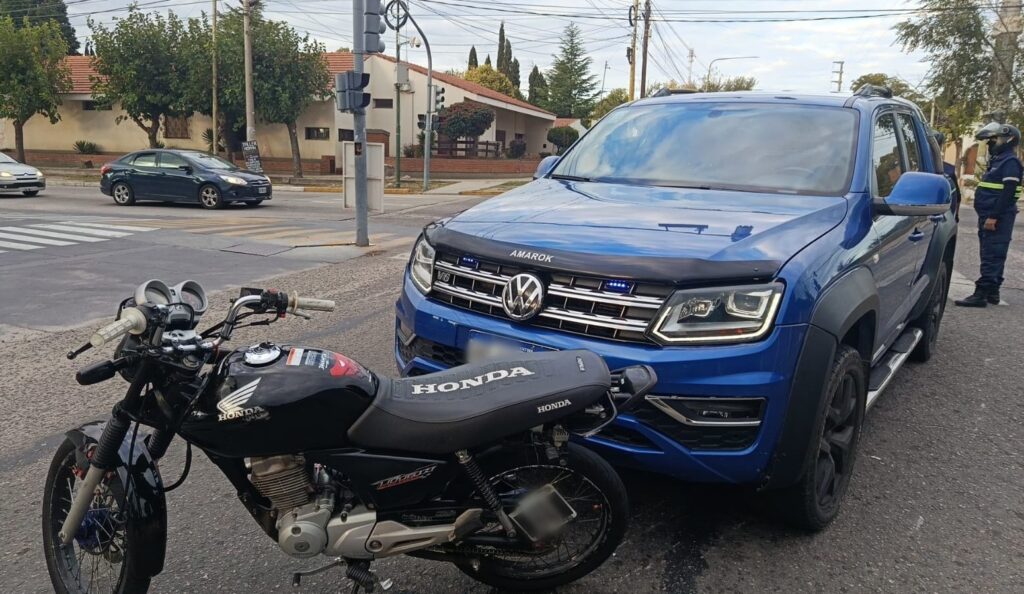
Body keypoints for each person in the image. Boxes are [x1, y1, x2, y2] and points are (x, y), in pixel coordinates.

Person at [955, 122, 1022, 307]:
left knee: (991, 255)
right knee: (994, 253)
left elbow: (1008, 192)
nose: (991, 144)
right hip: (990, 215)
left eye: (994, 140)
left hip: (998, 217)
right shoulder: (999, 161)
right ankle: (993, 291)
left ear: (1008, 140)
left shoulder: (1010, 162)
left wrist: (994, 216)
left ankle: (981, 294)